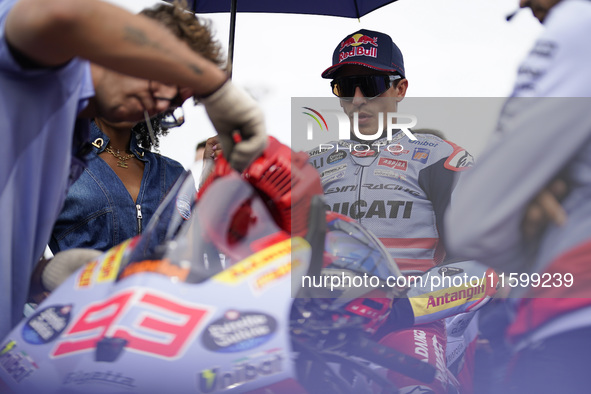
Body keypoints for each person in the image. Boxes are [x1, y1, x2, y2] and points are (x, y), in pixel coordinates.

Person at [0, 0, 266, 340]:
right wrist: (214, 85)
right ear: (119, 45)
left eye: (173, 103)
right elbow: (62, 13)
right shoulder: (46, 72)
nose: (161, 101)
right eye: (162, 77)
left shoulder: (72, 148)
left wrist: (45, 273)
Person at [311, 29, 484, 393]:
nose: (358, 99)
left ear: (400, 89)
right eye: (345, 86)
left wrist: (404, 310)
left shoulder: (440, 156)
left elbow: (483, 262)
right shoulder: (310, 163)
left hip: (411, 323)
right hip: (320, 325)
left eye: (370, 83)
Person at [444, 0, 591, 392]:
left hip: (571, 326)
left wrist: (523, 195)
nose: (523, 5)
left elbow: (474, 221)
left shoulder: (578, 22)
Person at [48, 4, 224, 255]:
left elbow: (200, 251)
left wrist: (212, 177)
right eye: (150, 77)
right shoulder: (59, 163)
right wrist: (49, 275)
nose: (157, 98)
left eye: (172, 99)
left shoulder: (173, 174)